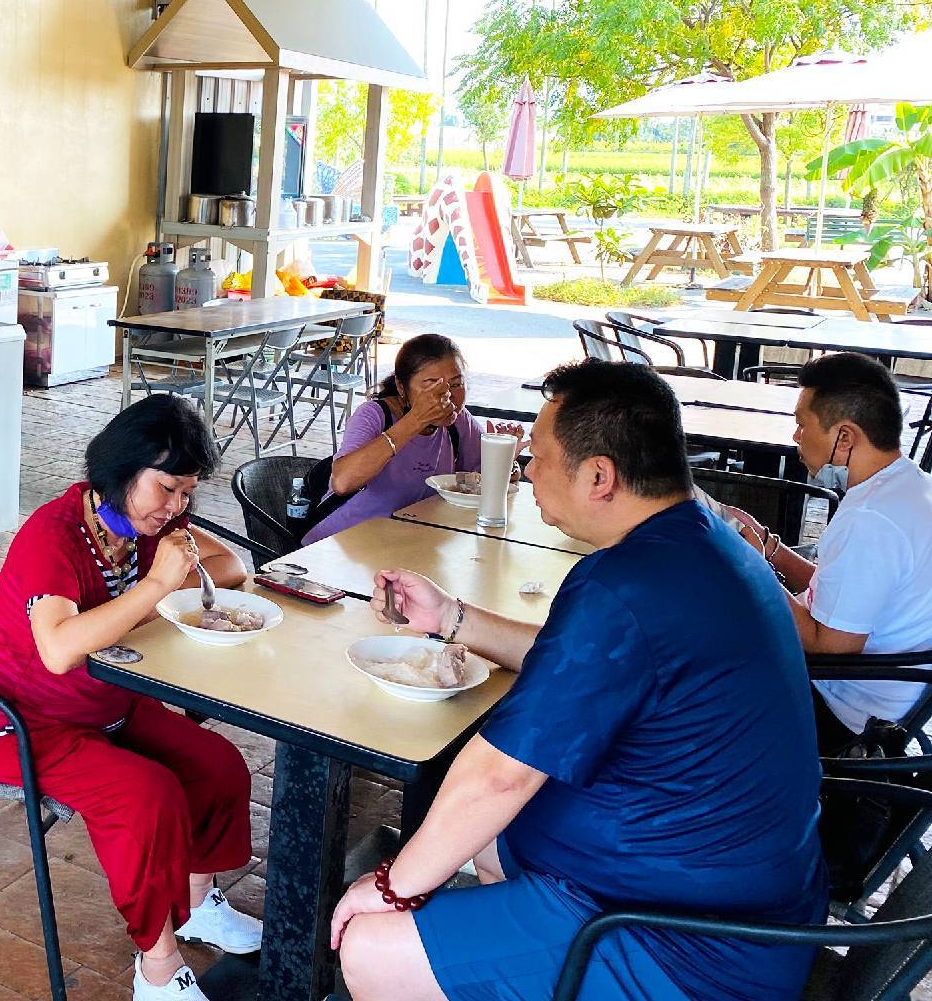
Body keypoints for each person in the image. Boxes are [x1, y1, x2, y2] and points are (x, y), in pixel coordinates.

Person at [331, 360, 826, 1001]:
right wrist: (451, 617)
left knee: (372, 945)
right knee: (490, 842)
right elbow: (576, 659)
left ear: (599, 476)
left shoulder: (624, 586)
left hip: (688, 946)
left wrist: (395, 884)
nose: (527, 470)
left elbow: (499, 775)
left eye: (536, 455)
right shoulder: (700, 539)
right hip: (731, 890)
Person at [0, 395, 260, 1000]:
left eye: (187, 494)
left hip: (108, 706)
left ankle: (199, 903)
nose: (176, 507)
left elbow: (234, 568)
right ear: (122, 473)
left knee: (219, 765)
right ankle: (156, 963)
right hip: (18, 724)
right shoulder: (54, 535)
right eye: (167, 489)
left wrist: (186, 561)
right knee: (147, 798)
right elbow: (59, 650)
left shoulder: (148, 522)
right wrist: (157, 584)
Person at [721, 352, 932, 750]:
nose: (796, 435)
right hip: (893, 696)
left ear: (845, 436)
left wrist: (750, 566)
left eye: (802, 424)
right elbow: (843, 596)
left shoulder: (871, 520)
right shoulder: (910, 486)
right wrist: (772, 551)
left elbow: (826, 645)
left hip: (843, 712)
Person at [303, 334, 510, 544]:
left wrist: (507, 466)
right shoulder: (374, 415)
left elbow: (480, 479)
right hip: (340, 543)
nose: (446, 395)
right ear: (402, 387)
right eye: (431, 385)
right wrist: (415, 421)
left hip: (410, 544)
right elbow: (342, 482)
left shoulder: (459, 421)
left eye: (456, 384)